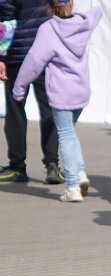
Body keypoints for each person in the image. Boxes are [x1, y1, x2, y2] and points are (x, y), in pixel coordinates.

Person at [11, 0, 100, 201]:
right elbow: (97, 10)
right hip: (81, 90)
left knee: (66, 135)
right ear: (71, 3)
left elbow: (34, 60)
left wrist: (19, 88)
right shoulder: (84, 23)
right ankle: (80, 172)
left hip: (62, 92)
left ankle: (72, 187)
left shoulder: (49, 28)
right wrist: (84, 15)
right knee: (71, 132)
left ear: (50, 6)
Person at [0, 0, 61, 185]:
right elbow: (64, 11)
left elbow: (6, 20)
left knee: (15, 111)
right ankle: (52, 165)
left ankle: (17, 167)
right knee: (50, 110)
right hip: (48, 55)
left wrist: (1, 55)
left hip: (18, 56)